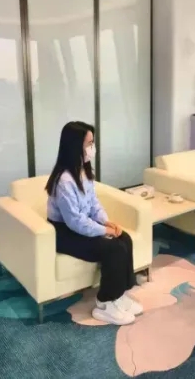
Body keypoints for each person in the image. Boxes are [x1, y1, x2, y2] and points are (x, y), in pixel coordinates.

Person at [45, 121, 141, 325]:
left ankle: (119, 295)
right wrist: (102, 230)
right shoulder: (64, 181)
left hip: (82, 224)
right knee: (113, 248)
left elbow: (93, 203)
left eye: (92, 142)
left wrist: (107, 222)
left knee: (124, 238)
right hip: (64, 233)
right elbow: (75, 222)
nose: (93, 147)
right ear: (75, 146)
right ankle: (105, 302)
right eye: (89, 143)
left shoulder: (83, 171)